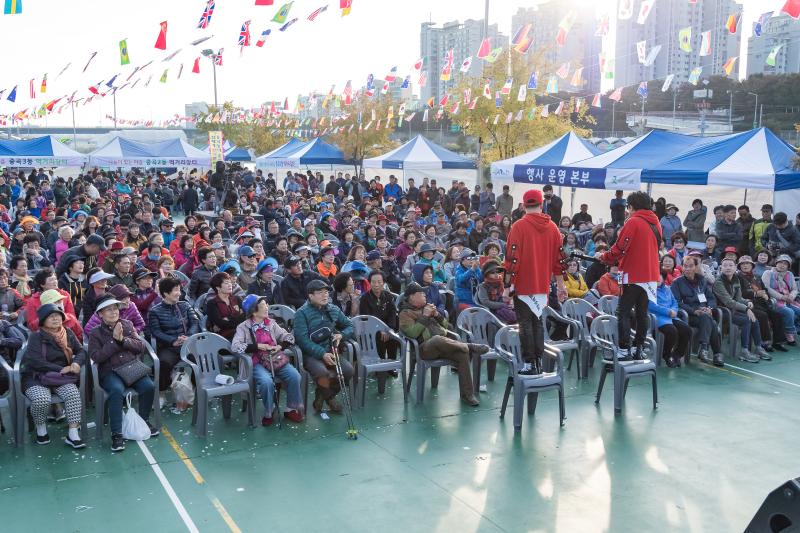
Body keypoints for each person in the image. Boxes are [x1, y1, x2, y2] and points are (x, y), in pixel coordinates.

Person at [503, 189, 567, 375]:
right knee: (537, 322)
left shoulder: (518, 226)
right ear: (542, 204)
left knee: (525, 324)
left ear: (523, 205)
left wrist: (507, 287)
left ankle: (530, 363)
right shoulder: (553, 227)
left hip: (523, 283)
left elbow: (511, 260)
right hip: (542, 285)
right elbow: (559, 261)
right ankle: (537, 362)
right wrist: (561, 286)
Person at [88, 297, 158, 452]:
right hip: (110, 371)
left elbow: (140, 347)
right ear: (100, 314)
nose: (113, 312)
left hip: (130, 367)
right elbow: (96, 357)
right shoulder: (95, 333)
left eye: (115, 308)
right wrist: (114, 342)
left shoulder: (127, 325)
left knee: (148, 386)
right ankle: (117, 433)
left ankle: (144, 419)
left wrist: (123, 340)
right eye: (109, 310)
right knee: (116, 391)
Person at [399, 283, 486, 406]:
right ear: (412, 297)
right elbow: (412, 333)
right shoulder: (405, 313)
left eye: (424, 293)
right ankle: (468, 346)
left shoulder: (428, 307)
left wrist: (436, 315)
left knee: (462, 355)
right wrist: (425, 316)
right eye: (421, 293)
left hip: (445, 346)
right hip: (423, 349)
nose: (425, 294)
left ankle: (467, 395)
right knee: (437, 339)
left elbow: (447, 326)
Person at [599, 191, 661, 360]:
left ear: (632, 206)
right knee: (642, 313)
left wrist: (604, 257)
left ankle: (624, 349)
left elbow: (620, 248)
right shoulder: (656, 222)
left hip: (633, 274)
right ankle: (638, 348)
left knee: (623, 312)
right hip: (651, 276)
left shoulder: (633, 222)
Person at [231, 295, 304, 425]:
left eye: (266, 304)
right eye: (264, 304)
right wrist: (257, 346)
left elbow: (287, 336)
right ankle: (269, 410)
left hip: (275, 359)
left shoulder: (271, 323)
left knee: (295, 376)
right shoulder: (243, 327)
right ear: (254, 310)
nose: (267, 307)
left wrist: (280, 346)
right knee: (266, 382)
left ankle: (290, 409)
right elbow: (235, 346)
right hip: (255, 362)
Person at [21, 304, 86, 448]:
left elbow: (81, 351)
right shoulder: (36, 336)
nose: (56, 318)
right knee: (41, 399)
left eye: (58, 315)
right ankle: (41, 427)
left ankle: (73, 433)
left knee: (73, 394)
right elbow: (35, 362)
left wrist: (75, 363)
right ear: (43, 320)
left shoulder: (68, 332)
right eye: (51, 316)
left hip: (61, 378)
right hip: (36, 377)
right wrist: (62, 368)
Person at [293, 279, 354, 413]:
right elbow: (301, 340)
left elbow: (350, 325)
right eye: (320, 293)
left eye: (326, 292)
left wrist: (341, 335)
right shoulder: (301, 313)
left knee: (348, 370)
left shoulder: (334, 309)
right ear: (310, 295)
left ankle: (323, 394)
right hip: (311, 354)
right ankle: (330, 399)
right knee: (322, 373)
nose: (325, 295)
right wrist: (322, 354)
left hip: (332, 350)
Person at [148, 277, 201, 398]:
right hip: (169, 346)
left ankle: (196, 390)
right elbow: (156, 331)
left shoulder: (185, 305)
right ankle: (161, 393)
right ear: (166, 293)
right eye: (176, 290)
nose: (179, 293)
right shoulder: (155, 311)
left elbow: (195, 322)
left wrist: (188, 337)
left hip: (188, 344)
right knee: (163, 364)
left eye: (180, 289)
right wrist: (172, 341)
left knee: (200, 360)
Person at [713, 258, 768, 363]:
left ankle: (758, 347)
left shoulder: (736, 279)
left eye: (731, 265)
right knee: (746, 320)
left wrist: (747, 302)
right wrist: (746, 308)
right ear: (721, 268)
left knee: (753, 319)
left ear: (735, 268)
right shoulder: (718, 282)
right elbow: (728, 302)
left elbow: (738, 298)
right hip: (722, 312)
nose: (728, 268)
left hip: (733, 310)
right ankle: (744, 350)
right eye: (725, 265)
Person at [671, 256, 724, 366]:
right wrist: (694, 311)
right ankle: (714, 352)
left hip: (704, 313)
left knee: (708, 318)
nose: (687, 269)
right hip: (687, 315)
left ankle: (705, 350)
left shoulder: (702, 281)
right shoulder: (677, 283)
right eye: (685, 266)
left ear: (695, 267)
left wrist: (709, 308)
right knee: (711, 321)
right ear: (681, 267)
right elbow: (676, 302)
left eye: (691, 266)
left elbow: (711, 298)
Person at [358, 270, 400, 366]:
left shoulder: (388, 296)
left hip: (387, 328)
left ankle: (391, 366)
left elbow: (392, 313)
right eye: (373, 282)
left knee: (392, 337)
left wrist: (389, 328)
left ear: (383, 283)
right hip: (372, 330)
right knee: (379, 338)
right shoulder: (365, 298)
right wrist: (380, 330)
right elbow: (366, 318)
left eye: (379, 282)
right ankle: (379, 366)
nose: (376, 284)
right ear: (369, 282)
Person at [649, 274, 691, 367]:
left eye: (659, 276)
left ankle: (677, 355)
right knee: (672, 331)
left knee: (686, 330)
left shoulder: (667, 288)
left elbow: (674, 302)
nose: (657, 278)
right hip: (658, 317)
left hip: (671, 316)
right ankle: (666, 355)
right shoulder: (648, 290)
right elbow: (651, 305)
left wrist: (674, 311)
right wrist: (668, 311)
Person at [762, 254, 800, 345]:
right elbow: (767, 288)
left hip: (789, 300)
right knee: (789, 312)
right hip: (774, 301)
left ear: (788, 266)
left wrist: (791, 296)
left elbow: (795, 289)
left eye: (785, 264)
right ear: (776, 263)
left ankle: (797, 329)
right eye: (780, 262)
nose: (782, 265)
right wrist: (781, 297)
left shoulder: (789, 274)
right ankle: (789, 333)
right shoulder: (768, 273)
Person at [206, 272, 245, 340]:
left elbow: (246, 316)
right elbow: (221, 324)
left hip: (241, 330)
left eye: (230, 282)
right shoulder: (212, 303)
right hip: (223, 336)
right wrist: (238, 318)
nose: (230, 285)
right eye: (226, 283)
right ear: (218, 287)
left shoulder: (237, 299)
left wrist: (228, 318)